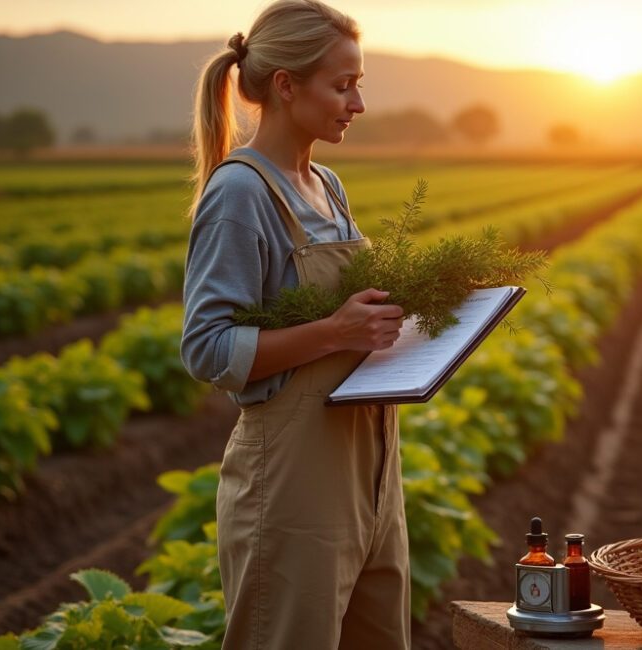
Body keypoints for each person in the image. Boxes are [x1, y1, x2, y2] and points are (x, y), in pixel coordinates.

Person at [180, 1, 409, 648]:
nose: (357, 104)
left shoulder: (327, 185)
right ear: (286, 86)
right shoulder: (241, 193)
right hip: (291, 482)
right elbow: (206, 347)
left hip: (370, 466)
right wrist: (336, 333)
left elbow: (349, 317)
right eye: (343, 85)